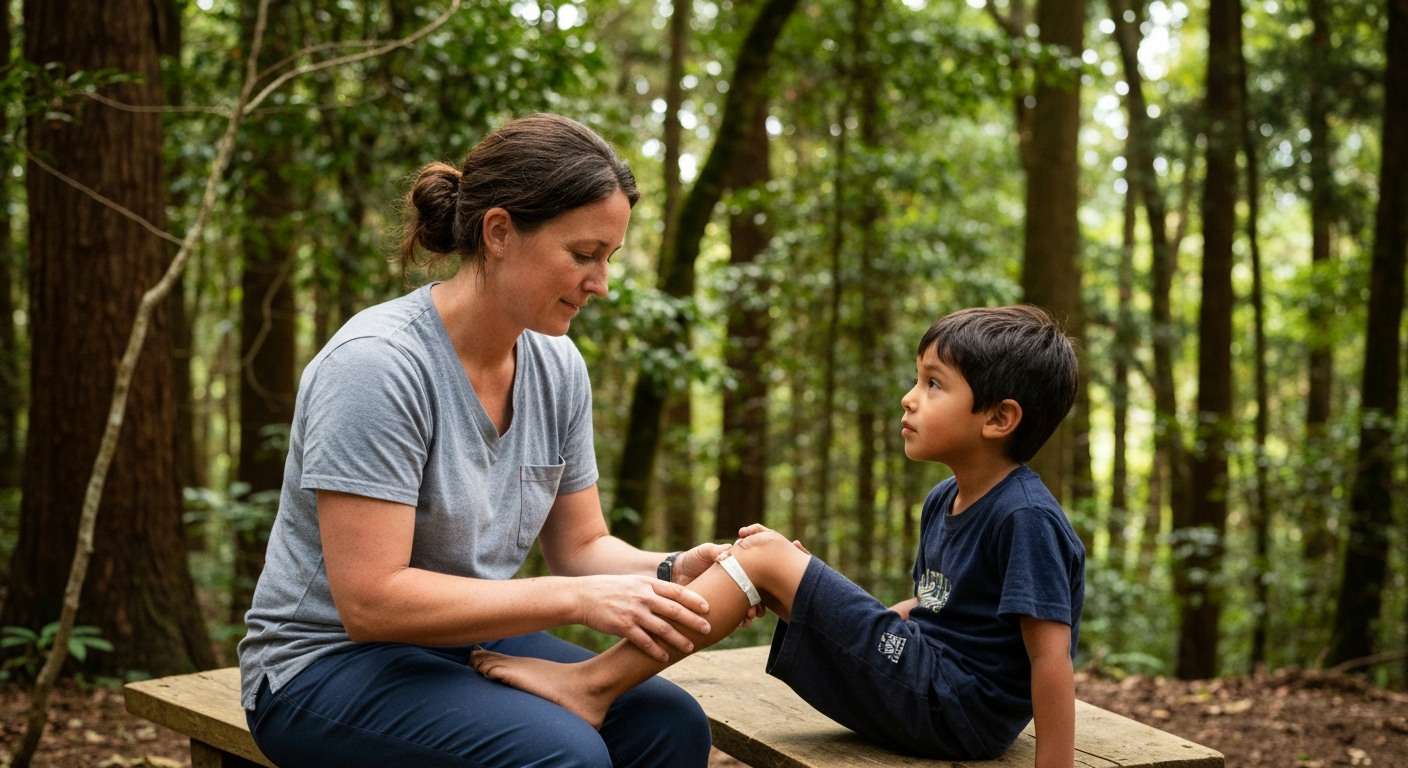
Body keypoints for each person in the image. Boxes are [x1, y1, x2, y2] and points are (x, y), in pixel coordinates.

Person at [237, 113, 753, 768]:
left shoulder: (558, 367)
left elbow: (582, 547)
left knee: (668, 723)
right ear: (500, 231)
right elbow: (371, 602)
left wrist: (672, 570)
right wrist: (578, 599)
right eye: (583, 255)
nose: (601, 284)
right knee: (563, 757)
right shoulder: (376, 366)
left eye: (609, 259)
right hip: (322, 665)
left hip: (462, 641)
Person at [472, 305, 1086, 767]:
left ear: (999, 418)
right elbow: (937, 612)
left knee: (765, 555)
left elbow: (1049, 660)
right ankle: (612, 672)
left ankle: (592, 685)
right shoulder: (942, 502)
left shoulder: (1024, 518)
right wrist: (824, 600)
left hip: (958, 710)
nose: (908, 399)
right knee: (774, 560)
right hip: (928, 682)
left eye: (933, 384)